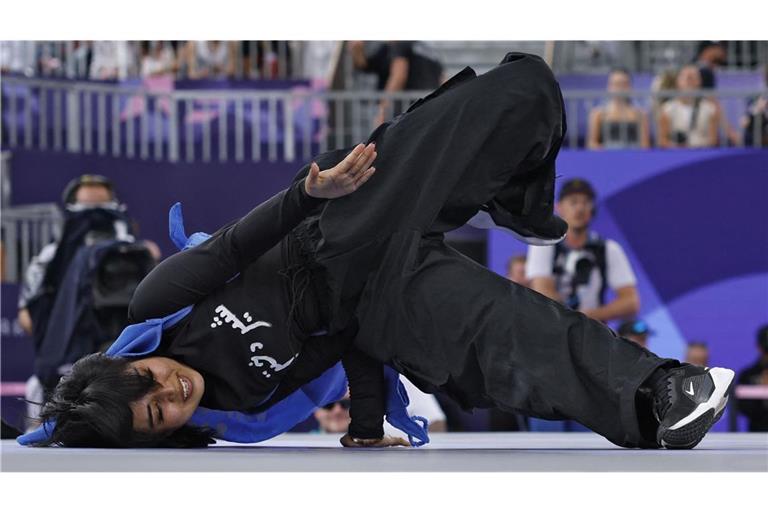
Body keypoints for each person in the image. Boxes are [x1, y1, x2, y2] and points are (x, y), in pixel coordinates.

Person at [22, 53, 733, 451]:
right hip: (381, 298)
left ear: (134, 354)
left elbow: (241, 240)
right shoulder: (237, 416)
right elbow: (339, 341)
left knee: (523, 89)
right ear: (156, 440)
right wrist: (366, 424)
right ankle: (659, 397)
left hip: (339, 219)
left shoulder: (157, 306)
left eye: (149, 378)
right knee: (516, 334)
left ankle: (515, 199)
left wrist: (313, 191)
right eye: (156, 416)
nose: (169, 392)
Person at [17, 175, 159, 431]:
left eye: (103, 209)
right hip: (61, 369)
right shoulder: (49, 261)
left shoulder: (140, 254)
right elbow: (27, 315)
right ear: (71, 211)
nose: (94, 218)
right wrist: (60, 333)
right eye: (87, 211)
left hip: (122, 368)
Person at [525, 178, 640, 323]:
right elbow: (542, 293)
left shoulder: (608, 249)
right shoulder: (544, 244)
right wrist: (576, 318)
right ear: (559, 207)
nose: (579, 208)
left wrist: (591, 316)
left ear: (592, 209)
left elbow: (631, 302)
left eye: (585, 202)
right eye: (573, 202)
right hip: (553, 329)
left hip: (593, 333)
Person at [348, 41, 443, 126]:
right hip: (429, 107)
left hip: (407, 109)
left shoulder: (400, 45)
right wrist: (357, 49)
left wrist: (383, 109)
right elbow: (365, 65)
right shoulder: (428, 50)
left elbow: (399, 75)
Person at [658, 65, 719, 148]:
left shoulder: (710, 109)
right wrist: (677, 147)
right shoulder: (667, 109)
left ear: (699, 81)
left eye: (693, 77)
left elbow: (713, 140)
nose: (689, 80)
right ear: (677, 81)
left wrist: (696, 146)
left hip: (702, 153)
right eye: (686, 77)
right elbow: (663, 140)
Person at [587, 68, 650, 149]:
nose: (620, 88)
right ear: (609, 87)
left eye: (624, 84)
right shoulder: (597, 114)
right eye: (616, 84)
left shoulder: (641, 115)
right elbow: (592, 144)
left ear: (630, 87)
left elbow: (645, 146)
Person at [736, 325, 768, 432]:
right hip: (756, 435)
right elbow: (741, 407)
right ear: (759, 347)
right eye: (766, 350)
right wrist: (761, 390)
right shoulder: (747, 375)